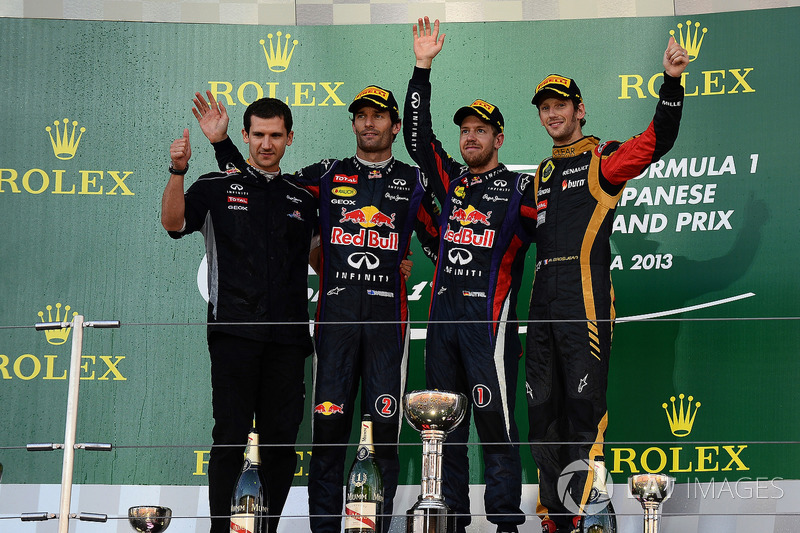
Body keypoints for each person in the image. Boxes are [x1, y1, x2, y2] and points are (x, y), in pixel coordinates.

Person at [194, 86, 439, 533]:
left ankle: (376, 527)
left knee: (385, 436)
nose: (369, 123)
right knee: (327, 437)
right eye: (361, 116)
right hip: (334, 327)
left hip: (388, 326)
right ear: (352, 124)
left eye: (379, 117)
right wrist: (222, 145)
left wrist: (404, 261)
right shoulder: (325, 176)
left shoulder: (414, 181)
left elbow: (447, 241)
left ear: (395, 126)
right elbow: (259, 182)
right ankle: (323, 529)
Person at [525, 37, 689, 533]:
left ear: (580, 110)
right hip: (540, 304)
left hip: (585, 299)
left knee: (583, 412)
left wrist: (672, 83)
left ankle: (594, 518)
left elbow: (657, 140)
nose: (553, 115)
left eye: (561, 106)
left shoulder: (603, 159)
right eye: (545, 108)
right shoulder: (541, 173)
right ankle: (556, 518)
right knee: (540, 415)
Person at [404, 17, 538, 533]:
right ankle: (450, 521)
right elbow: (418, 139)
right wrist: (422, 68)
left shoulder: (521, 189)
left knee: (497, 429)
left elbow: (561, 232)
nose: (470, 138)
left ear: (499, 137)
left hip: (490, 329)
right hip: (442, 329)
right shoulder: (451, 183)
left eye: (481, 130)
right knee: (443, 433)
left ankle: (505, 522)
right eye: (465, 131)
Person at [161, 98, 317, 533]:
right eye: (259, 135)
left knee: (281, 445)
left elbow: (323, 257)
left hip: (288, 342)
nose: (267, 144)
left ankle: (264, 527)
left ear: (289, 138)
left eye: (276, 135)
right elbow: (172, 223)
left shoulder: (303, 198)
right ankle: (221, 529)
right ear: (245, 136)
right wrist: (178, 171)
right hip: (233, 335)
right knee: (229, 439)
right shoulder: (213, 185)